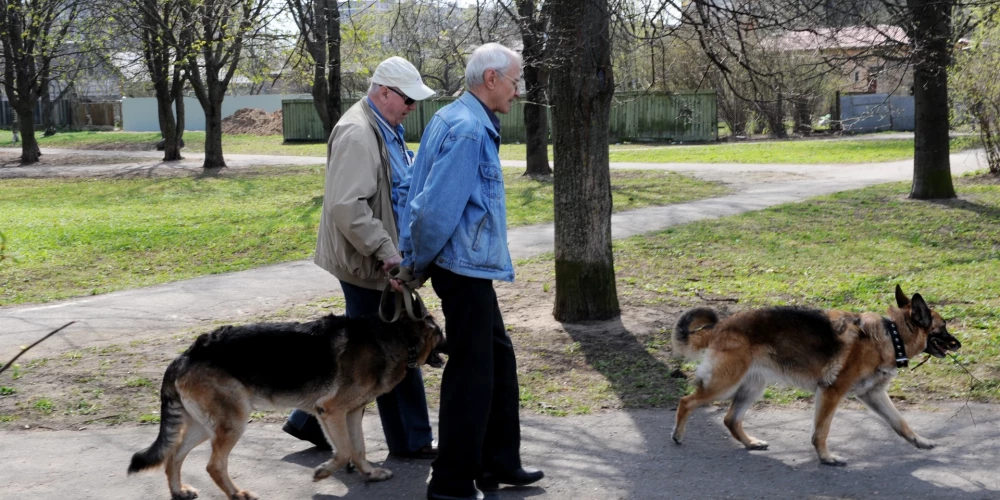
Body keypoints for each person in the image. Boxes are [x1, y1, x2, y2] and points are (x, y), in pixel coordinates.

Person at [397, 43, 544, 500]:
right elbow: (434, 209)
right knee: (471, 373)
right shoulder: (466, 130)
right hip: (461, 267)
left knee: (497, 359)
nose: (518, 92)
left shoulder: (458, 118)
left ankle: (498, 460)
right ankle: (453, 482)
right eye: (515, 82)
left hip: (467, 265)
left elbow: (419, 194)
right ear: (491, 79)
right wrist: (414, 263)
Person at [283, 56, 438, 460]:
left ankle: (309, 422)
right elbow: (347, 206)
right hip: (367, 261)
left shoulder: (386, 126)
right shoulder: (357, 132)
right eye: (407, 99)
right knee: (398, 343)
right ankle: (412, 440)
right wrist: (388, 255)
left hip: (372, 256)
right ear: (383, 91)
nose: (412, 106)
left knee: (365, 349)